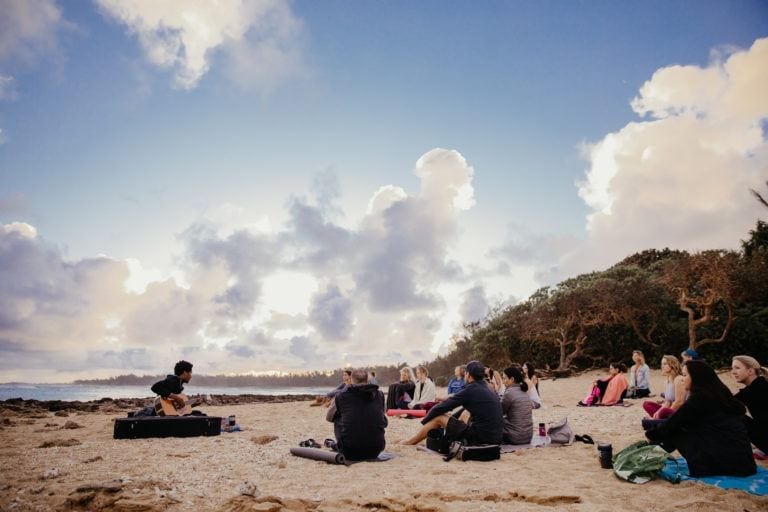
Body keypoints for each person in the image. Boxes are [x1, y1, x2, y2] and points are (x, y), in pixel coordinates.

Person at [645, 361, 756, 477]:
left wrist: (650, 434)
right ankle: (650, 455)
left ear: (696, 377)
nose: (682, 379)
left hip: (725, 464)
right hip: (744, 464)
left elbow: (672, 424)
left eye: (685, 375)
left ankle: (647, 458)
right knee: (679, 427)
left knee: (675, 430)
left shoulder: (699, 398)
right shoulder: (720, 392)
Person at [403, 361, 503, 446]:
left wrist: (425, 421)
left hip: (481, 440)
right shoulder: (488, 388)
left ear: (468, 375)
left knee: (439, 418)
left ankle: (411, 441)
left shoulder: (470, 390)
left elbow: (442, 407)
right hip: (496, 439)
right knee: (464, 412)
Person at [326, 368, 387, 460]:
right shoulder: (380, 395)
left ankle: (341, 443)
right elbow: (384, 421)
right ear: (367, 380)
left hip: (349, 451)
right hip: (376, 449)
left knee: (337, 417)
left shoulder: (341, 396)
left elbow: (329, 418)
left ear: (352, 380)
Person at [731, 355, 768, 454]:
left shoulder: (756, 390)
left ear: (750, 371)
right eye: (732, 368)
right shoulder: (760, 385)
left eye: (737, 368)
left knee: (736, 418)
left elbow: (727, 403)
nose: (733, 372)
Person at [643, 355, 686, 419]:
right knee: (646, 404)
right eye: (662, 364)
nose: (662, 366)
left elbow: (679, 402)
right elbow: (667, 403)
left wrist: (665, 412)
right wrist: (658, 412)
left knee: (648, 422)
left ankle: (660, 420)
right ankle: (659, 419)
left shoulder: (678, 379)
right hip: (669, 411)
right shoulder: (667, 381)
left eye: (665, 364)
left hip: (679, 411)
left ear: (672, 365)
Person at [500, 365, 533, 445]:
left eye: (504, 378)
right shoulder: (524, 391)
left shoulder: (509, 393)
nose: (503, 381)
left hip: (515, 438)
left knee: (493, 419)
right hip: (528, 437)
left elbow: (500, 412)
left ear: (512, 379)